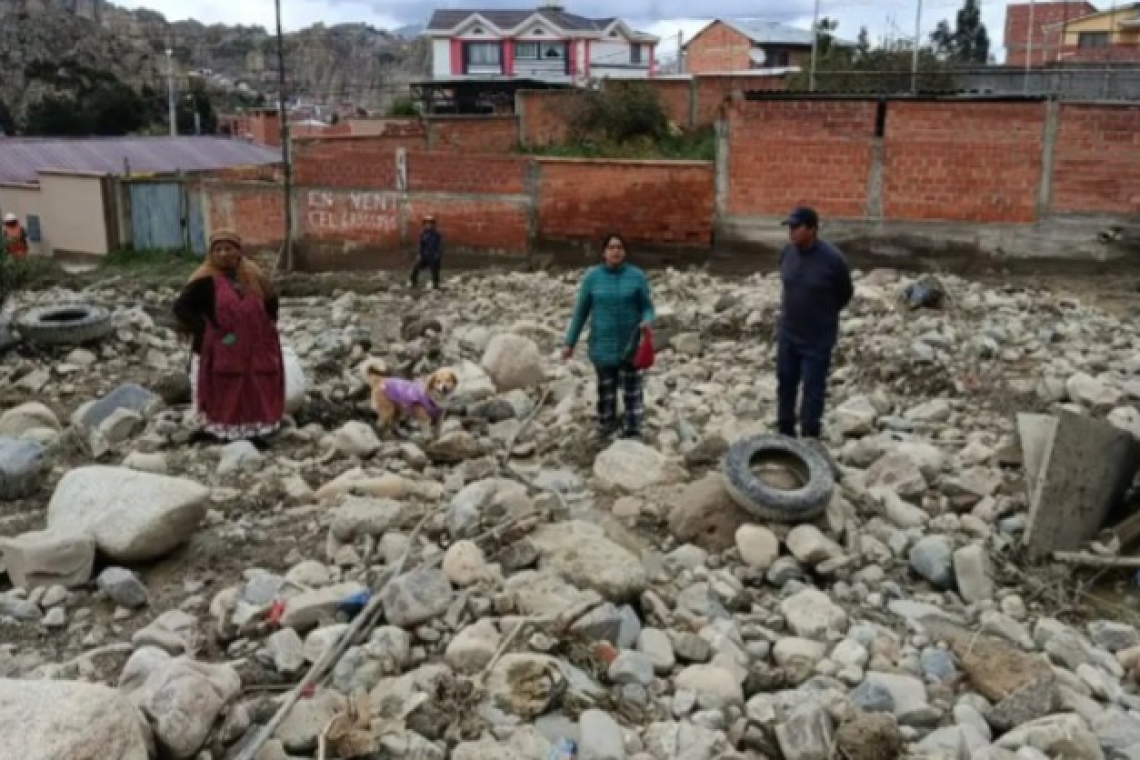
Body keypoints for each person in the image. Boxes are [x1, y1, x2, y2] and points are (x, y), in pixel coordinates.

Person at [173, 229, 284, 445]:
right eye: (218, 249)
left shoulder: (252, 275)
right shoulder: (203, 279)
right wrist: (209, 333)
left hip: (252, 347)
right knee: (220, 388)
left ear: (238, 252)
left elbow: (271, 301)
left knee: (253, 386)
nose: (223, 253)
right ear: (211, 253)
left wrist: (267, 327)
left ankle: (252, 430)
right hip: (220, 346)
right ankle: (219, 430)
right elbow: (182, 308)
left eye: (229, 249)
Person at [562, 233, 655, 442]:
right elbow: (581, 313)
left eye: (620, 247)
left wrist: (647, 321)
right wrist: (569, 343)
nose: (616, 251)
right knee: (606, 389)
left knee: (632, 388)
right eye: (611, 247)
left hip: (630, 343)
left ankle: (632, 428)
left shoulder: (637, 277)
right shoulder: (592, 278)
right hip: (602, 344)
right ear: (603, 253)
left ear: (625, 252)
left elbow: (647, 308)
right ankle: (605, 423)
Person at [775, 206, 853, 445]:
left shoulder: (832, 259)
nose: (791, 232)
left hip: (817, 337)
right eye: (789, 227)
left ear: (812, 229)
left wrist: (823, 315)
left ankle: (810, 437)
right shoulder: (788, 252)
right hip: (788, 332)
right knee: (785, 382)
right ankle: (785, 432)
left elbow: (845, 293)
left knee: (813, 388)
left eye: (796, 227)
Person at [410, 214, 443, 290]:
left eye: (430, 223)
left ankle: (435, 285)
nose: (428, 225)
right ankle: (413, 282)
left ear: (433, 224)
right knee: (415, 268)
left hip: (434, 257)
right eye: (427, 223)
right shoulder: (423, 234)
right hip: (425, 256)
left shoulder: (437, 234)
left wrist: (438, 255)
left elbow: (440, 246)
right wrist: (419, 255)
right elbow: (421, 245)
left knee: (435, 272)